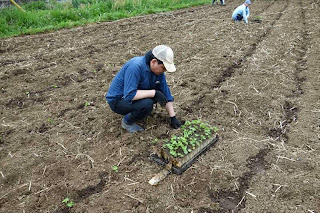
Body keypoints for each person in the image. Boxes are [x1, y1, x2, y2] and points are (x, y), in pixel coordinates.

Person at [106, 45, 182, 133]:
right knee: (147, 103)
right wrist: (154, 93)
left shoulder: (158, 73)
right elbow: (129, 95)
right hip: (118, 100)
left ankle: (138, 109)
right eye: (163, 68)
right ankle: (127, 122)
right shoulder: (135, 66)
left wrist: (173, 118)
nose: (164, 71)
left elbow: (166, 94)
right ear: (154, 62)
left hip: (133, 96)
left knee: (156, 95)